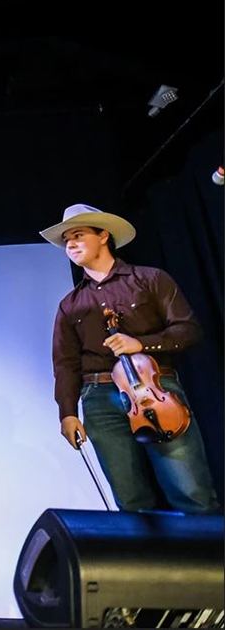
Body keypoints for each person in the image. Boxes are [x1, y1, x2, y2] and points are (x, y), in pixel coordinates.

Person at [43, 203, 219, 513]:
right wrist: (67, 413)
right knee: (131, 502)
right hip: (99, 397)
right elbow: (66, 363)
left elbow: (188, 330)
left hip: (155, 388)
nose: (70, 244)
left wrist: (140, 344)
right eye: (67, 239)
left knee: (192, 493)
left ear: (104, 235)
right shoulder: (69, 305)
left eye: (79, 235)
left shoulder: (150, 279)